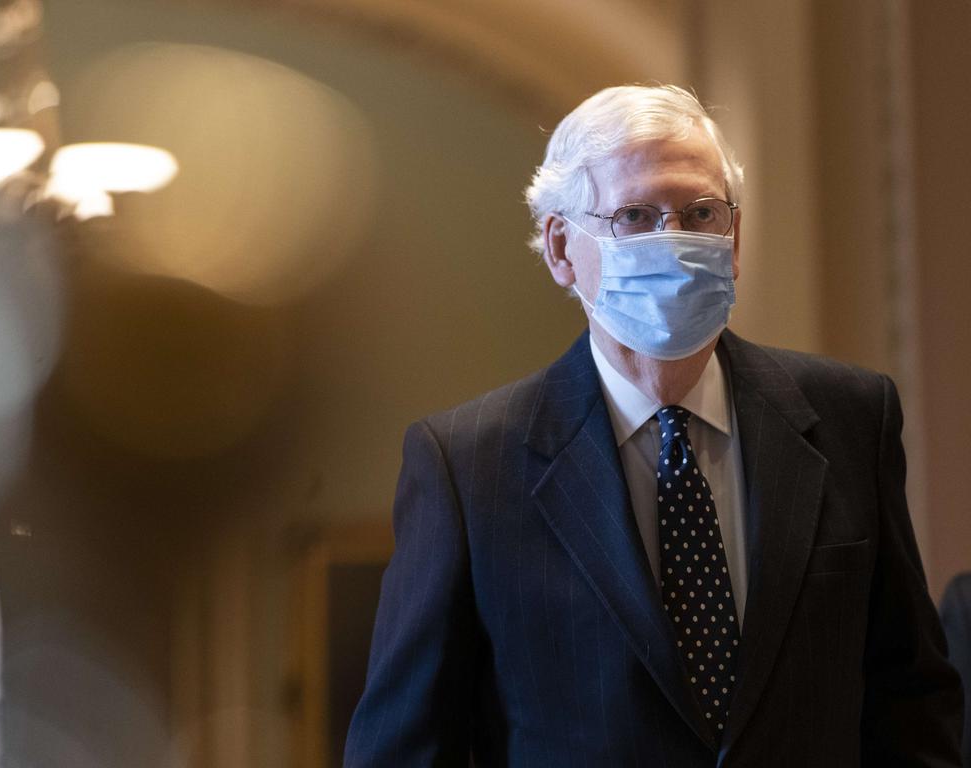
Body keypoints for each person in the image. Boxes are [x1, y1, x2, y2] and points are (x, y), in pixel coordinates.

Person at [344, 85, 963, 766]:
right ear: (559, 248)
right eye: (635, 216)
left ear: (734, 237)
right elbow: (407, 747)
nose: (674, 241)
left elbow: (911, 700)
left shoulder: (851, 416)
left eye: (700, 213)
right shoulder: (469, 466)